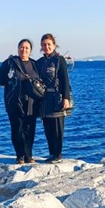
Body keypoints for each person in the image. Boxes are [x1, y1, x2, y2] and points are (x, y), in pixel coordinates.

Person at [0, 39, 41, 164]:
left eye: (26, 48)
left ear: (30, 50)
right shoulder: (10, 62)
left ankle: (29, 155)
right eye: (21, 47)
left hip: (31, 102)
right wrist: (10, 81)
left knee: (30, 129)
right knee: (17, 129)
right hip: (14, 102)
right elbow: (0, 79)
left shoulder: (34, 64)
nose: (24, 50)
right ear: (18, 48)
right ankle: (19, 155)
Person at [36, 33, 73, 164]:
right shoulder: (39, 62)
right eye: (44, 45)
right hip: (44, 99)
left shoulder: (59, 60)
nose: (46, 47)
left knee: (58, 128)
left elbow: (65, 80)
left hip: (57, 98)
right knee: (48, 128)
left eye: (49, 44)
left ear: (54, 45)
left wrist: (66, 98)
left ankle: (58, 154)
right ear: (41, 46)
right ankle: (52, 154)